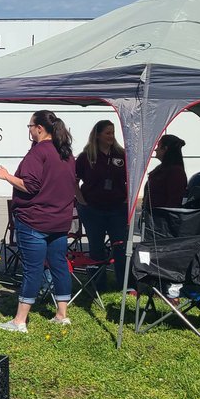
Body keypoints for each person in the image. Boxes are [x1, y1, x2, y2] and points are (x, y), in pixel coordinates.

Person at [0, 110, 76, 333]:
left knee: (32, 269)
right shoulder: (66, 153)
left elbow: (30, 185)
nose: (28, 130)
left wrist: (6, 175)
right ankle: (61, 314)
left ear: (39, 128)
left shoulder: (38, 153)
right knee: (59, 265)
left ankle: (19, 321)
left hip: (35, 220)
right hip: (60, 221)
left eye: (30, 126)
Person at [75, 119, 128, 292]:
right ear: (97, 135)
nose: (111, 136)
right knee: (96, 248)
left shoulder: (122, 155)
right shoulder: (86, 157)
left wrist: (127, 199)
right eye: (108, 133)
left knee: (120, 247)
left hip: (117, 209)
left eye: (113, 132)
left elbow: (131, 179)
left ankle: (125, 284)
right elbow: (73, 181)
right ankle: (98, 285)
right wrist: (81, 200)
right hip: (93, 209)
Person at [145, 134, 188, 210]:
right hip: (154, 216)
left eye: (158, 146)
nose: (156, 149)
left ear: (165, 148)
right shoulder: (163, 169)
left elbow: (174, 201)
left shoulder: (176, 172)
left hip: (161, 218)